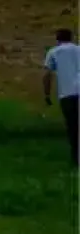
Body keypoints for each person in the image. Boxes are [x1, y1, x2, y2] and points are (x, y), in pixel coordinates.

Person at [42, 28, 80, 167]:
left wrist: (47, 94)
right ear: (72, 37)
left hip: (68, 94)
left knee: (73, 127)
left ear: (57, 39)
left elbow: (46, 75)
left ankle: (76, 158)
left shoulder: (53, 52)